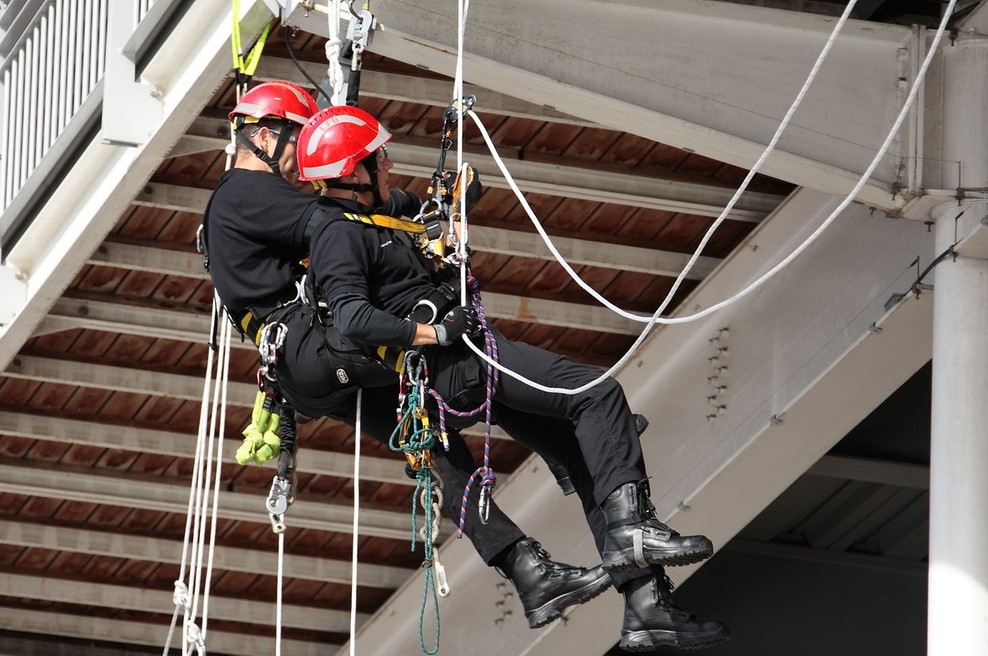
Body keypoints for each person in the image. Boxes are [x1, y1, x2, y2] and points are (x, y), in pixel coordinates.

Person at [295, 104, 730, 651]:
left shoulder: (368, 217)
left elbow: (416, 214)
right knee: (597, 394)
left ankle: (646, 607)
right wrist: (437, 334)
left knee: (579, 450)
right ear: (353, 172)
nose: (388, 164)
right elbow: (352, 318)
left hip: (460, 365)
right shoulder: (338, 233)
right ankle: (633, 531)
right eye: (377, 157)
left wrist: (449, 214)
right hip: (461, 363)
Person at [201, 80, 614, 630]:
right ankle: (571, 432)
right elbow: (336, 214)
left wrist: (417, 207)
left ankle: (529, 574)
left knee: (433, 442)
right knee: (456, 361)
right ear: (261, 135)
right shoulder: (244, 193)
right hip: (319, 345)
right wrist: (421, 209)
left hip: (306, 363)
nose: (304, 157)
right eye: (297, 139)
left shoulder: (240, 202)